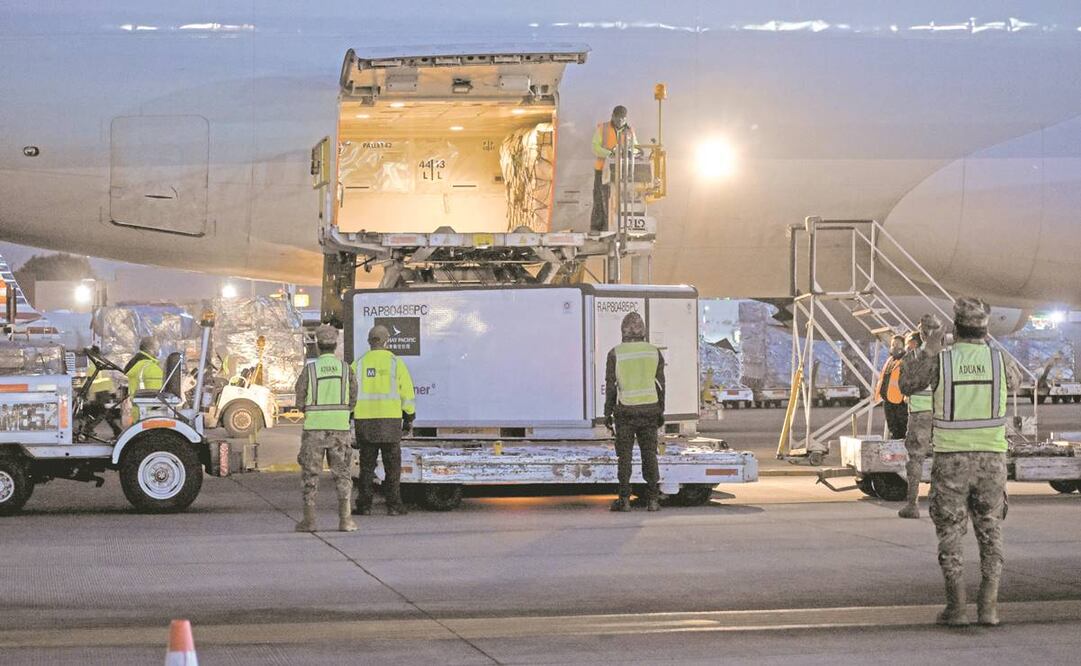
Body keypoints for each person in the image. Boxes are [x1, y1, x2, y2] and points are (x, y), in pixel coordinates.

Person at [899, 299, 1019, 627]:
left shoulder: (943, 361)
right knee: (991, 529)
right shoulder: (1001, 361)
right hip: (991, 461)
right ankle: (989, 606)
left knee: (950, 531)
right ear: (986, 326)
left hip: (952, 461)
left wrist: (928, 344)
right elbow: (1017, 384)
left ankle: (957, 608)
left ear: (956, 325)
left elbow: (906, 385)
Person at [293, 324, 357, 533]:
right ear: (335, 345)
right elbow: (353, 400)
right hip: (340, 429)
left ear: (318, 347)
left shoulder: (309, 371)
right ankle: (345, 520)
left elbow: (300, 402)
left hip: (314, 431)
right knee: (343, 474)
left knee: (310, 476)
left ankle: (309, 521)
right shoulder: (347, 370)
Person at [351, 325, 416, 516]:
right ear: (386, 341)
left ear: (370, 341)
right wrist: (409, 417)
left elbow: (350, 392)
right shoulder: (396, 363)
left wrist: (350, 416)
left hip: (366, 423)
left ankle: (364, 506)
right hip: (390, 422)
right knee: (392, 467)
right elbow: (407, 393)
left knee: (367, 467)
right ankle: (394, 505)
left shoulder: (359, 363)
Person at [604, 311, 665, 512]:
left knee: (625, 457)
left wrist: (607, 414)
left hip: (626, 413)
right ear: (643, 331)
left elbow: (611, 386)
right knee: (650, 455)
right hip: (650, 411)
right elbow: (660, 385)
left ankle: (624, 500)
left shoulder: (615, 353)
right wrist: (660, 412)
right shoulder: (654, 352)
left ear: (623, 331)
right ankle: (653, 500)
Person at [897, 330, 932, 519]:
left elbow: (904, 388)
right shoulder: (943, 356)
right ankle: (937, 501)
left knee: (915, 459)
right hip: (942, 413)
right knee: (942, 457)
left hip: (919, 414)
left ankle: (912, 504)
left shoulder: (911, 359)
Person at [590, 105, 637, 232]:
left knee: (618, 200)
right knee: (600, 198)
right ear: (612, 116)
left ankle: (616, 226)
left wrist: (629, 152)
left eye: (623, 119)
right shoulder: (603, 128)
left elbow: (636, 147)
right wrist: (610, 153)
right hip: (602, 169)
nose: (620, 121)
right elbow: (595, 147)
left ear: (626, 119)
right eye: (618, 118)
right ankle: (597, 228)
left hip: (622, 171)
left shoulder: (629, 131)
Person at [82, 347, 122, 438]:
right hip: (104, 393)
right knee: (101, 413)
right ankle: (89, 429)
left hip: (98, 394)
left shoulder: (92, 367)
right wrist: (113, 391)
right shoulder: (102, 365)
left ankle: (88, 430)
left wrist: (89, 396)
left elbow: (89, 383)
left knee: (100, 413)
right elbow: (108, 380)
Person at [875, 334, 908, 439]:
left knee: (901, 429)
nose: (894, 347)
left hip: (899, 402)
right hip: (888, 400)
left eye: (898, 344)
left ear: (903, 346)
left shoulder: (905, 360)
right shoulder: (890, 360)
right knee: (893, 428)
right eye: (893, 344)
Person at [123, 337, 163, 422]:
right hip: (149, 415)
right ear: (151, 349)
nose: (159, 351)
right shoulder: (151, 368)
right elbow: (159, 397)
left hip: (137, 412)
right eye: (158, 348)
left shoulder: (137, 365)